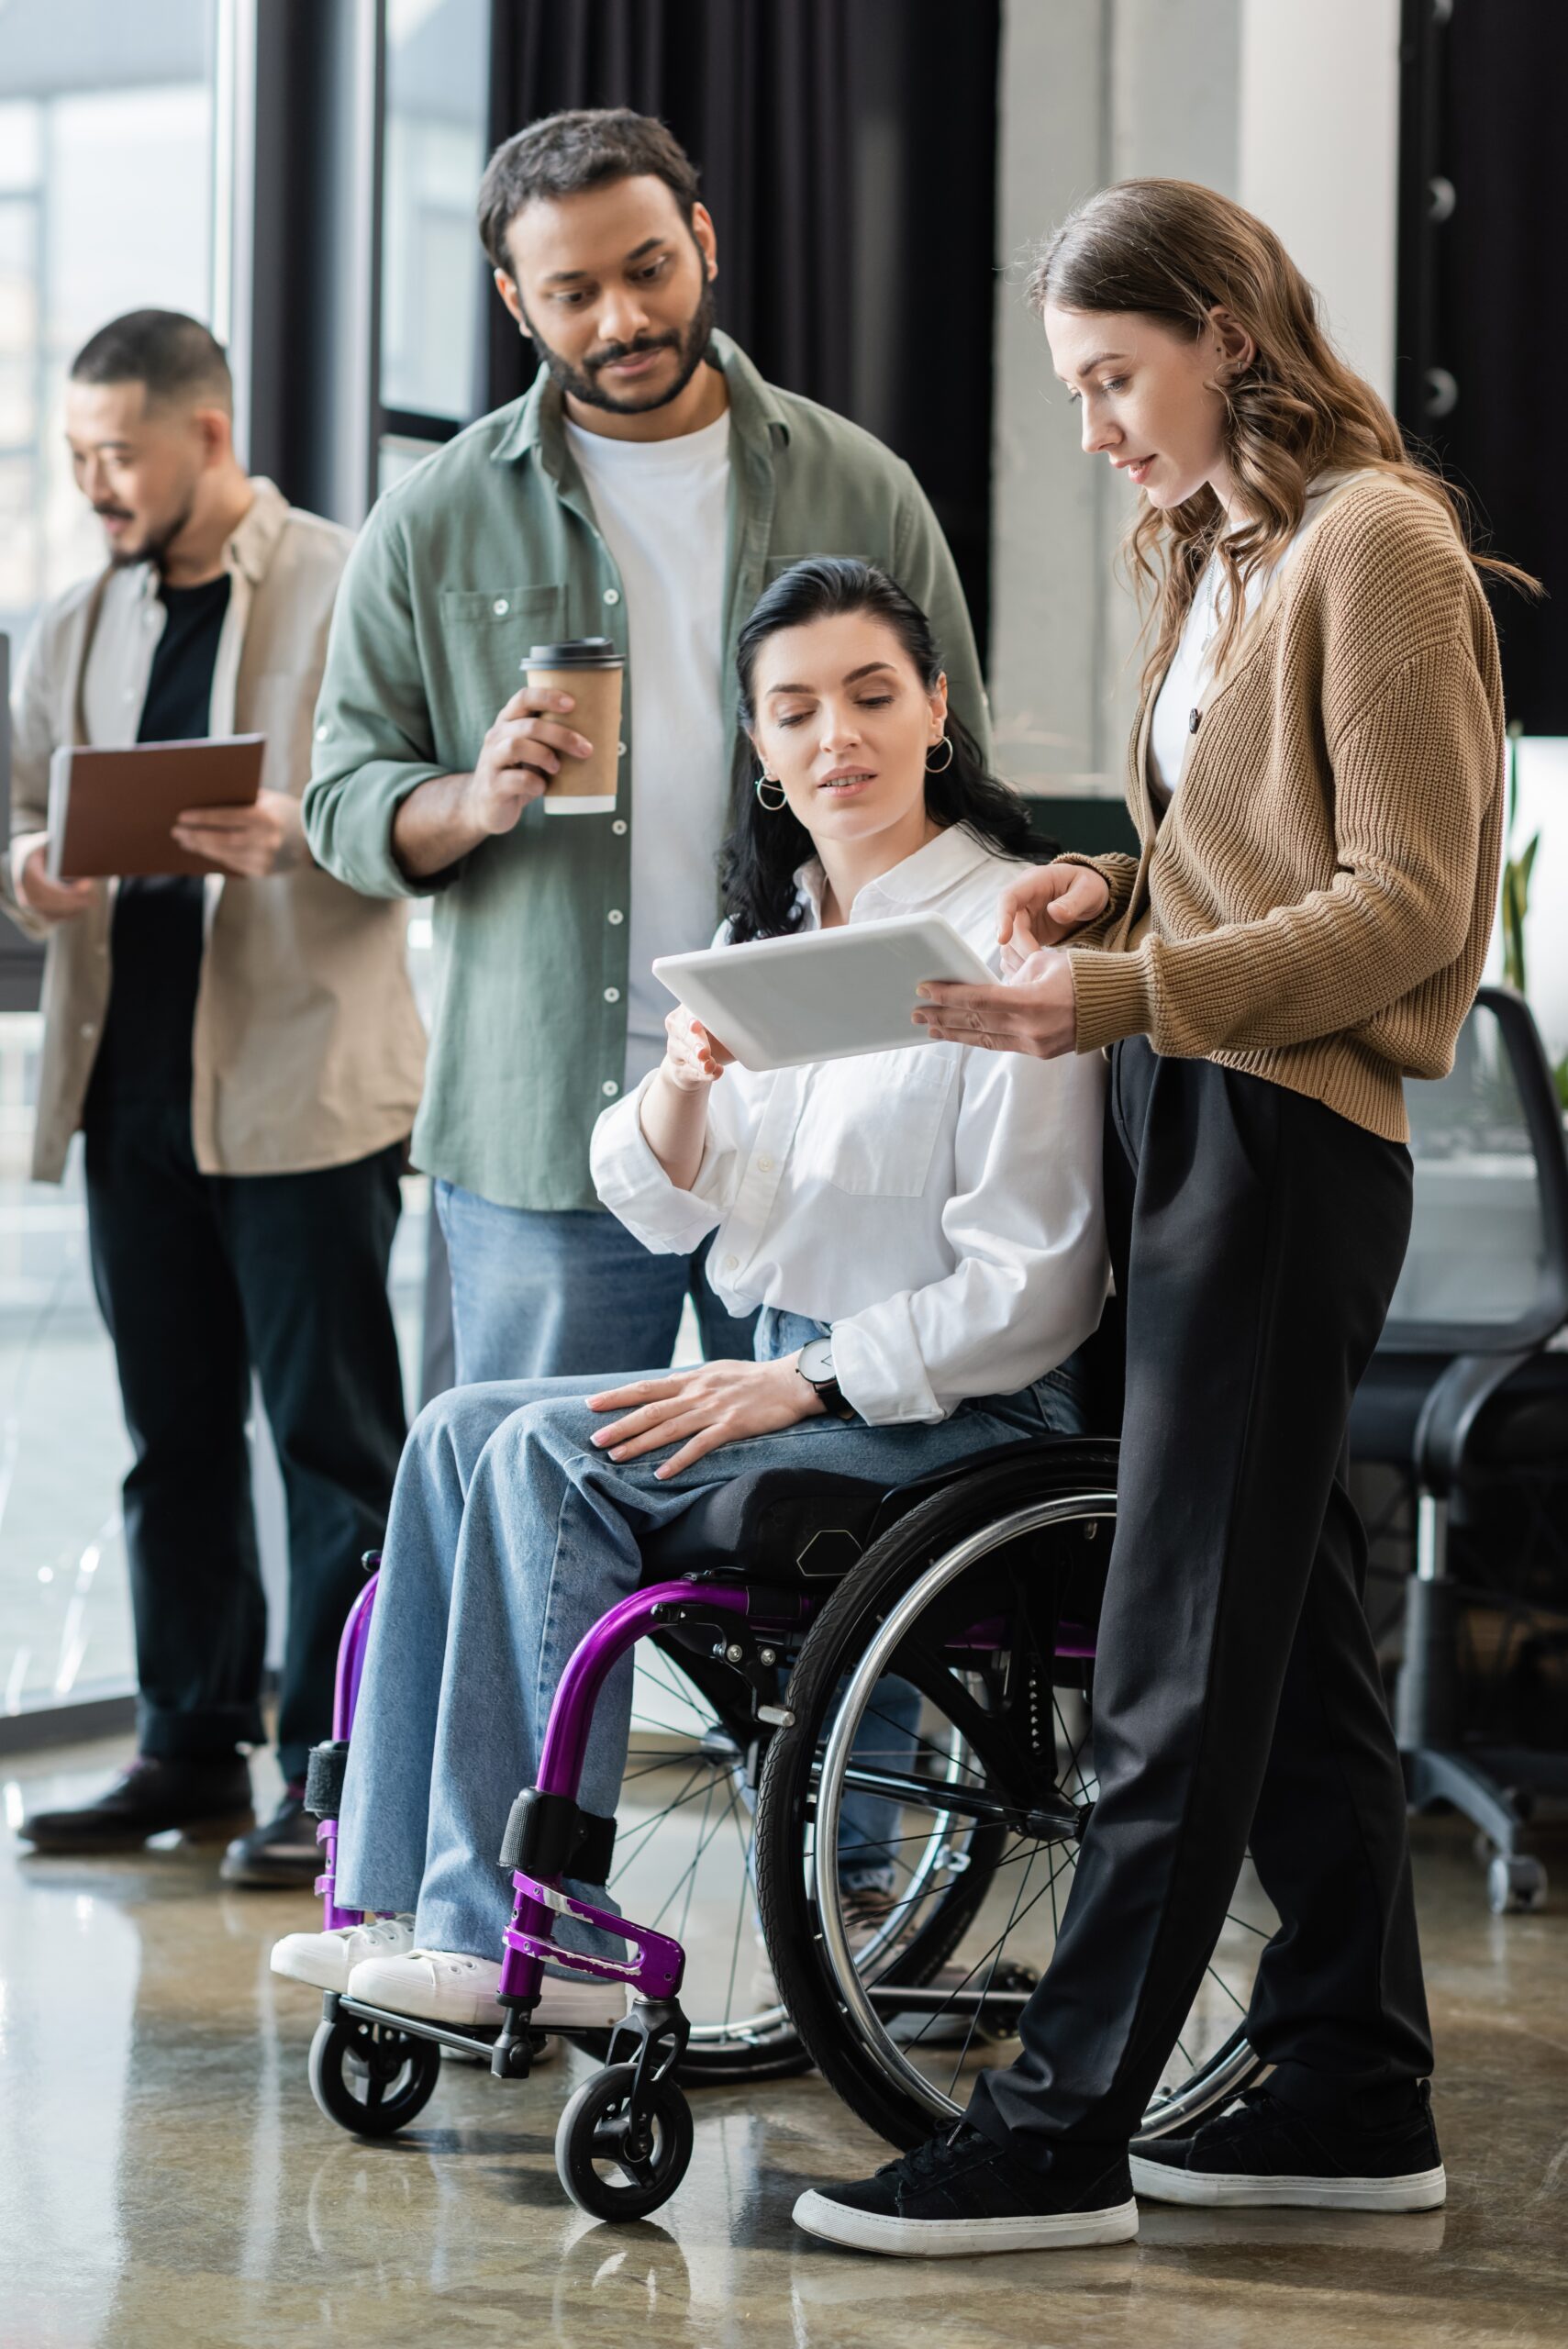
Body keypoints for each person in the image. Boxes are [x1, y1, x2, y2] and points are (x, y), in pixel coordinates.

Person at [793, 180, 1525, 2260]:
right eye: (1077, 391)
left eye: (1116, 377)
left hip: (1285, 1138)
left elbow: (1408, 907)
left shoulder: (1374, 538)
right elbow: (1267, 850)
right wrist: (1113, 889)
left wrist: (1126, 983)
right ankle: (1351, 2077)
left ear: (1224, 329)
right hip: (1196, 1112)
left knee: (1170, 1655)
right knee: (1278, 1644)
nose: (1099, 425)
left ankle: (1057, 2124)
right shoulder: (1227, 544)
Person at [269, 560, 1106, 2031]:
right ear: (760, 750)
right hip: (802, 1379)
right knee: (460, 1422)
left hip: (949, 1411)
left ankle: (526, 1926)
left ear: (934, 713)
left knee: (544, 1454)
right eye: (792, 712)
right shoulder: (765, 940)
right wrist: (678, 1083)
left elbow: (1035, 1288)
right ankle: (396, 1894)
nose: (832, 735)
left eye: (866, 695)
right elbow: (652, 1196)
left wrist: (808, 1380)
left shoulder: (1010, 939)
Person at [303, 108, 989, 1387]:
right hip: (545, 1131)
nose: (620, 319)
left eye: (646, 270)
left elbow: (965, 776)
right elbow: (341, 803)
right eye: (573, 292)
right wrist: (470, 798)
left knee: (815, 1528)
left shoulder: (859, 484)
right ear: (515, 300)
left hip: (816, 1110)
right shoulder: (433, 516)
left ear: (704, 242)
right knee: (544, 1518)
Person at [9, 312, 425, 1884]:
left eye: (119, 453)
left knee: (331, 1445)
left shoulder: (343, 579)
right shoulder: (79, 621)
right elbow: (21, 797)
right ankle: (186, 1744)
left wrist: (307, 833)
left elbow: (416, 802)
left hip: (301, 1081)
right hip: (131, 1086)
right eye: (77, 457)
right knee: (167, 1431)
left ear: (208, 431)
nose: (96, 484)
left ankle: (332, 1772)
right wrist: (32, 874)